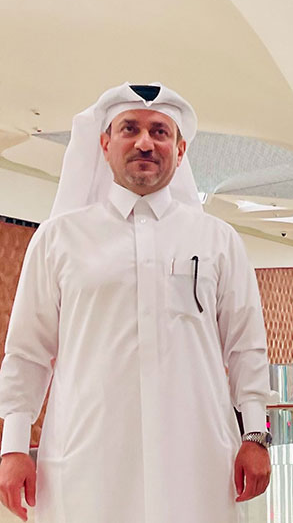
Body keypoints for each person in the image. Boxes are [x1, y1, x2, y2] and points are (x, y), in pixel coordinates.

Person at [0, 83, 273, 523]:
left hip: (196, 458)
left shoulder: (218, 241)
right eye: (130, 128)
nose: (145, 142)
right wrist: (13, 447)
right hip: (89, 460)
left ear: (180, 150)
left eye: (160, 132)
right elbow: (27, 352)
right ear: (105, 144)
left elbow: (246, 346)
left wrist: (255, 435)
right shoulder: (58, 239)